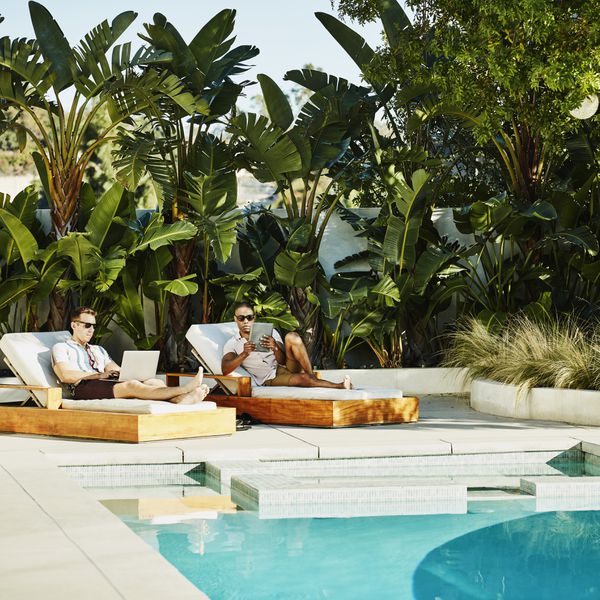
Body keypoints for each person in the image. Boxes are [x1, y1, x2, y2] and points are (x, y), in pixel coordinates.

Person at [52, 307, 208, 404]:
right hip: (82, 388)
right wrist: (99, 375)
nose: (91, 330)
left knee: (152, 381)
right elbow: (65, 375)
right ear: (74, 325)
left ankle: (181, 400)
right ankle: (183, 390)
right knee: (132, 385)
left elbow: (114, 369)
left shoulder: (98, 349)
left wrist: (129, 372)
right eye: (87, 325)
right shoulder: (62, 347)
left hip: (103, 382)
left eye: (93, 326)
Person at [221, 302, 351, 389]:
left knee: (292, 336)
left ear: (254, 318)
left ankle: (311, 375)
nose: (245, 321)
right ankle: (339, 386)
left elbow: (283, 360)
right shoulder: (233, 343)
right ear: (235, 319)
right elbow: (225, 369)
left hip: (285, 366)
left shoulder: (269, 333)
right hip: (270, 378)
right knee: (303, 379)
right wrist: (244, 354)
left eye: (249, 317)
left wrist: (275, 347)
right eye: (241, 318)